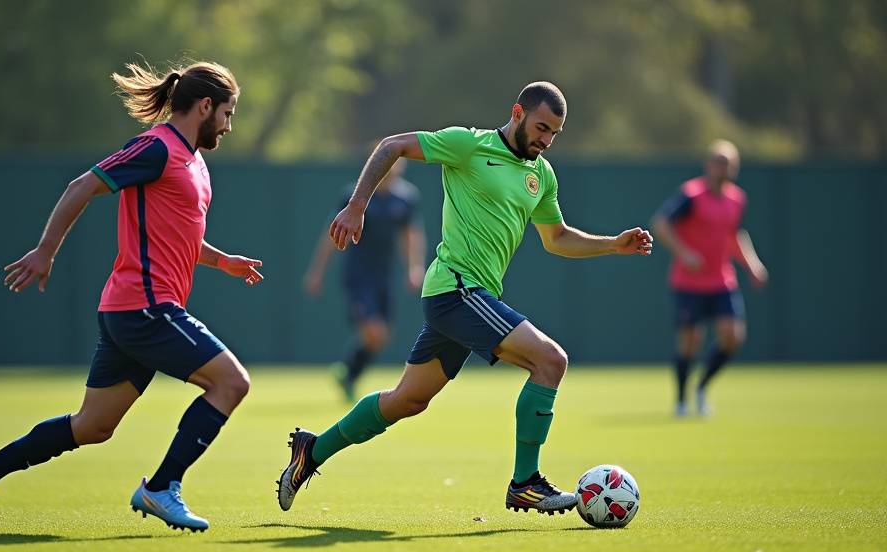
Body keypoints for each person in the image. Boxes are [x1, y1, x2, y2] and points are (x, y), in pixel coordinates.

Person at [277, 82, 653, 515]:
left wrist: (612, 244)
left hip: (465, 298)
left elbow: (557, 238)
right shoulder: (468, 145)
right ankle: (525, 483)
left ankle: (311, 451)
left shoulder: (541, 175)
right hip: (456, 290)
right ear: (517, 113)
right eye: (541, 127)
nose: (546, 140)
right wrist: (357, 205)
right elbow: (392, 145)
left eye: (554, 134)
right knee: (551, 361)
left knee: (407, 401)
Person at [0, 60, 263, 534]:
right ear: (204, 106)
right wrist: (44, 252)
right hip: (145, 308)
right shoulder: (156, 148)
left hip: (131, 311)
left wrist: (222, 261)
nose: (229, 124)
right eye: (228, 112)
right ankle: (162, 487)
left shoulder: (192, 160)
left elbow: (177, 235)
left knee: (92, 427)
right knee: (231, 384)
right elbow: (83, 185)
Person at [651, 139, 768, 417]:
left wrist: (751, 264)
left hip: (721, 281)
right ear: (709, 165)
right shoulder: (691, 195)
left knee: (733, 336)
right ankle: (681, 400)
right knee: (690, 342)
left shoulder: (736, 199)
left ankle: (702, 387)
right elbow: (661, 223)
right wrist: (685, 253)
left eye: (729, 164)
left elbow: (733, 235)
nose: (723, 169)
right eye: (719, 162)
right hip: (688, 283)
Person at [303, 159, 425, 401]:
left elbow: (411, 235)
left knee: (382, 337)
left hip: (384, 275)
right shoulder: (355, 196)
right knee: (375, 332)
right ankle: (348, 372)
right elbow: (331, 234)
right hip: (358, 275)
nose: (392, 166)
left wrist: (414, 267)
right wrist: (316, 271)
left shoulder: (406, 197)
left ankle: (347, 372)